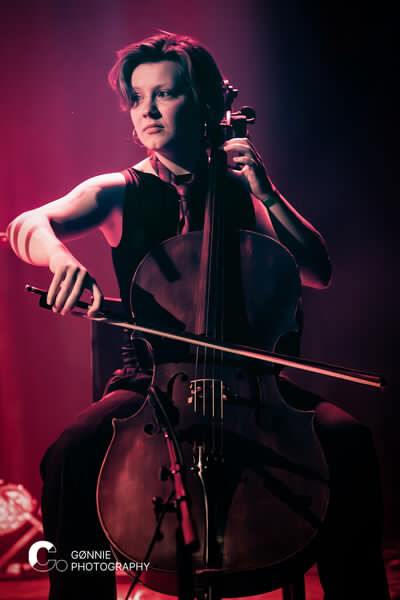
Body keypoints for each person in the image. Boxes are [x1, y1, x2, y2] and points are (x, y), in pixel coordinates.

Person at [6, 33, 389, 600]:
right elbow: (28, 224)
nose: (147, 110)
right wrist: (60, 259)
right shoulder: (119, 191)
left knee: (348, 441)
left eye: (165, 94)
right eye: (138, 98)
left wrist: (267, 192)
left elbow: (317, 271)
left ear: (206, 104)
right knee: (69, 456)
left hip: (253, 390)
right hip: (151, 387)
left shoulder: (242, 192)